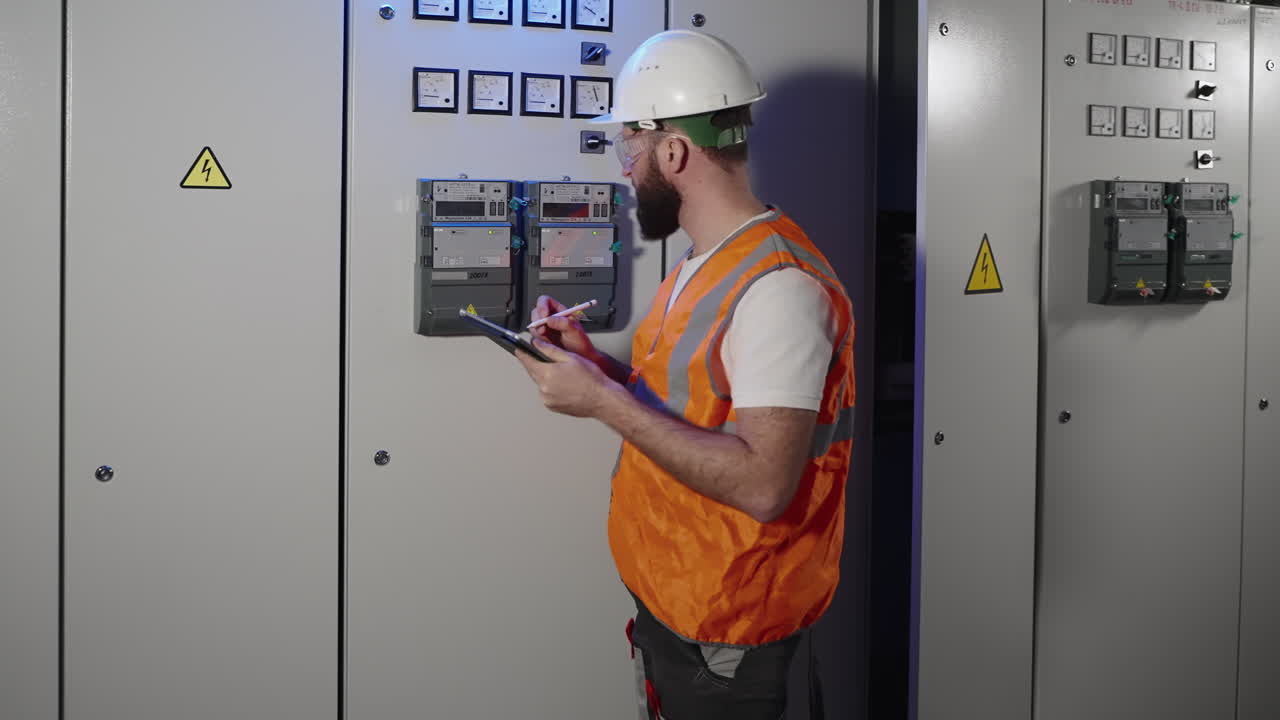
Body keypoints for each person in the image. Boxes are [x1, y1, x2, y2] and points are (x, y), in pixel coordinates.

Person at [514, 29, 855, 720]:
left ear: (673, 151)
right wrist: (592, 363)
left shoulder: (778, 289)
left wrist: (602, 401)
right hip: (680, 598)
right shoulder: (706, 263)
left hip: (730, 625)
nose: (624, 168)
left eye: (629, 150)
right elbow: (687, 402)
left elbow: (764, 486)